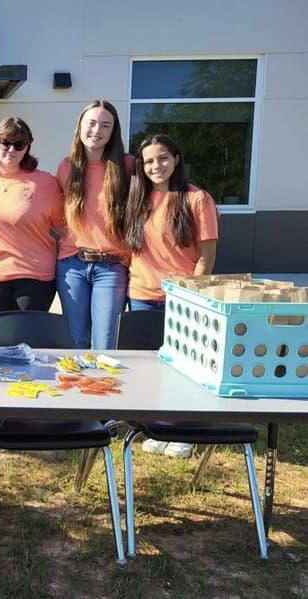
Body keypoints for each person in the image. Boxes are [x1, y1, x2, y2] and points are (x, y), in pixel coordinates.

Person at [124, 133, 219, 459]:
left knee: (183, 367)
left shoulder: (196, 199)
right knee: (151, 366)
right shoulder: (138, 198)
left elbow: (207, 255)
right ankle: (157, 426)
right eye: (149, 161)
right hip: (141, 294)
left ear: (176, 158)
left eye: (162, 158)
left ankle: (182, 431)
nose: (156, 166)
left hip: (182, 298)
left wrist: (191, 293)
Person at [0, 117, 63, 345]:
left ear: (27, 147)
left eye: (19, 144)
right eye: (5, 142)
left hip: (33, 277)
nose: (11, 149)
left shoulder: (45, 183)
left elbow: (63, 226)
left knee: (24, 348)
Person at [55, 100, 133, 350]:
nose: (96, 130)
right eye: (91, 123)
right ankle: (78, 389)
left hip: (111, 267)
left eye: (105, 125)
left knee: (105, 344)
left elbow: (163, 183)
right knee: (76, 341)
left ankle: (103, 389)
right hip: (72, 265)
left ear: (113, 132)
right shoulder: (67, 167)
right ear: (80, 127)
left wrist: (198, 201)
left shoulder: (128, 165)